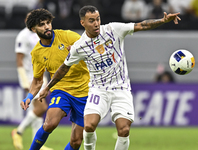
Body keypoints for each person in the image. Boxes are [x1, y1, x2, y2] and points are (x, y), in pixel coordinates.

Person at [26, 5, 181, 150]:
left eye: (98, 19)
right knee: (61, 124)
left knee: (88, 138)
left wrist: (162, 20)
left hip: (109, 88)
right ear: (83, 22)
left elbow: (141, 25)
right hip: (89, 90)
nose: (96, 23)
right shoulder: (74, 46)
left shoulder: (112, 29)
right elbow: (61, 69)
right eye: (91, 20)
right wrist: (47, 88)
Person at [20, 8, 90, 150]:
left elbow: (91, 49)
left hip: (85, 91)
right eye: (42, 24)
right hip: (61, 90)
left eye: (48, 23)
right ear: (33, 29)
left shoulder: (68, 36)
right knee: (49, 124)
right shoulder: (37, 53)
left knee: (76, 141)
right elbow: (38, 80)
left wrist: (80, 51)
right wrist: (29, 97)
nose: (46, 26)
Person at [12, 20, 52, 150]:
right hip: (30, 78)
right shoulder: (23, 36)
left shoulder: (38, 35)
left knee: (38, 111)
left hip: (40, 76)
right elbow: (19, 61)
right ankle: (18, 132)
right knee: (41, 108)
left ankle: (38, 145)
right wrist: (24, 81)